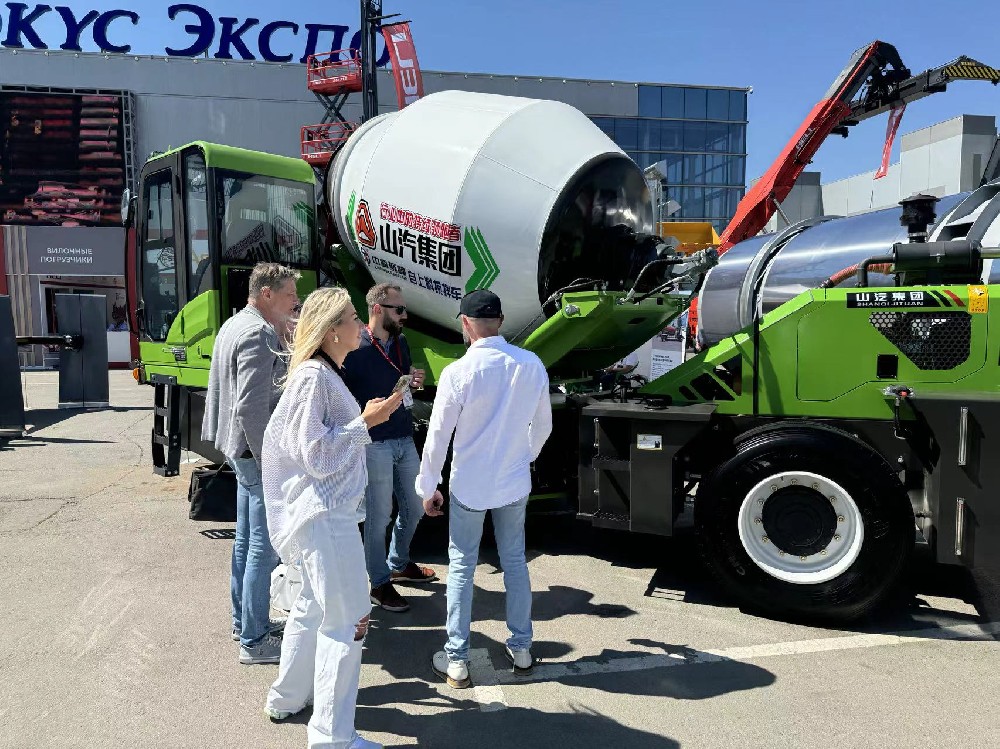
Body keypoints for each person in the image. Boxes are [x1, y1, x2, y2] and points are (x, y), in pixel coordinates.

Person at [261, 286, 403, 749]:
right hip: (326, 515)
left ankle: (287, 698)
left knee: (312, 608)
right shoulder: (315, 378)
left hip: (321, 514)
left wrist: (366, 419)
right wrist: (367, 422)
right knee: (349, 620)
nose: (361, 325)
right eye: (351, 318)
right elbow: (316, 455)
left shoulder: (320, 374)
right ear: (331, 331)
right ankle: (332, 737)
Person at [415, 289, 552, 689]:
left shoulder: (458, 372)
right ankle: (522, 648)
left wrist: (428, 485)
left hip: (469, 484)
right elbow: (543, 426)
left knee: (461, 566)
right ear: (501, 320)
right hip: (513, 481)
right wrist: (523, 456)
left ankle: (457, 659)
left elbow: (438, 437)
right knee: (515, 561)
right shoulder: (531, 364)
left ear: (465, 323)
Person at [201, 262, 301, 665]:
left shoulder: (234, 324)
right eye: (291, 294)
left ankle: (245, 623)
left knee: (246, 541)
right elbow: (251, 407)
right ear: (267, 294)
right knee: (263, 546)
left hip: (236, 449)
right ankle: (255, 640)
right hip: (253, 453)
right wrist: (269, 460)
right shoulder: (259, 333)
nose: (296, 301)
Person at [341, 283, 435, 614]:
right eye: (399, 309)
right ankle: (379, 583)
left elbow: (400, 385)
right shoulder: (355, 345)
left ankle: (398, 562)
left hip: (403, 435)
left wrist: (412, 381)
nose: (404, 315)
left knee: (417, 505)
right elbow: (342, 396)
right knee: (379, 515)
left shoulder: (400, 342)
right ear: (378, 309)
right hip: (374, 441)